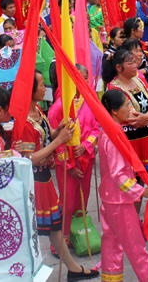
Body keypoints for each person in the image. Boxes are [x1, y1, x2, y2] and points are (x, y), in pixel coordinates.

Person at [21, 71, 98, 280]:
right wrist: (59, 141)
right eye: (41, 85)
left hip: (45, 177)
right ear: (31, 90)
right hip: (34, 179)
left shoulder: (38, 110)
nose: (45, 88)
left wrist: (59, 130)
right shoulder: (24, 121)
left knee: (54, 224)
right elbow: (30, 158)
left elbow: (49, 135)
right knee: (33, 229)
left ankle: (72, 268)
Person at [97, 89, 148, 282]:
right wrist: (142, 192)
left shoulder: (107, 132)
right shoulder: (113, 136)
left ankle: (111, 278)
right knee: (135, 244)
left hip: (109, 197)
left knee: (111, 241)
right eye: (127, 105)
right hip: (120, 201)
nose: (130, 109)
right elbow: (118, 176)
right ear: (114, 111)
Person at [48, 64, 100, 241]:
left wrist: (86, 145)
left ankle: (80, 236)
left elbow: (96, 127)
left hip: (86, 157)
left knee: (82, 199)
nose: (84, 82)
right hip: (67, 162)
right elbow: (56, 141)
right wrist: (68, 167)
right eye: (80, 78)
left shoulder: (89, 101)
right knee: (68, 202)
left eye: (86, 78)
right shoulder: (59, 106)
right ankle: (62, 240)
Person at [108, 49, 148, 176]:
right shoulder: (115, 88)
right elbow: (133, 119)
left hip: (147, 139)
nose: (135, 65)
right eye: (130, 63)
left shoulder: (140, 81)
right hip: (131, 142)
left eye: (134, 62)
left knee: (145, 179)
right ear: (118, 67)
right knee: (132, 179)